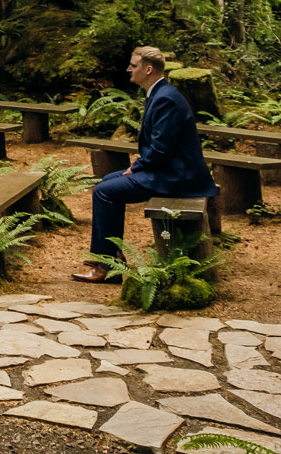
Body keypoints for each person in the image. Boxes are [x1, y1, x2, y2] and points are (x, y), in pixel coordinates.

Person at [73, 46, 218, 283]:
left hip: (177, 177)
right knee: (108, 181)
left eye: (134, 65)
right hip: (167, 170)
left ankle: (105, 266)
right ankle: (111, 255)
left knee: (104, 192)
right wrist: (139, 165)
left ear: (148, 69)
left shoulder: (165, 99)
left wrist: (138, 166)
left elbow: (162, 149)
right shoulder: (158, 93)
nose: (129, 69)